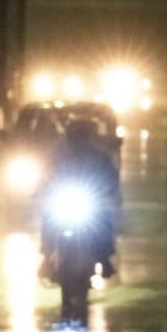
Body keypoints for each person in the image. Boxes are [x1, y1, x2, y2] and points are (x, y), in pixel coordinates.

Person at [43, 114, 123, 279]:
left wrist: (110, 194)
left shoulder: (100, 156)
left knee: (103, 220)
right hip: (64, 201)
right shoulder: (59, 156)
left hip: (90, 201)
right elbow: (47, 176)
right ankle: (46, 257)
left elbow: (111, 177)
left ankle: (105, 257)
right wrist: (44, 192)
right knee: (49, 218)